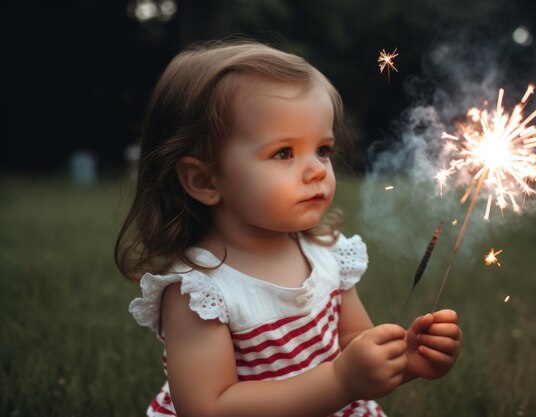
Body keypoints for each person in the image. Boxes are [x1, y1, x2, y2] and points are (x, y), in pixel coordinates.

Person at [115, 39, 462, 417]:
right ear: (205, 180)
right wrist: (340, 382)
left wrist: (403, 358)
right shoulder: (201, 291)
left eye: (323, 150)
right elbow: (208, 407)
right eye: (284, 153)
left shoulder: (327, 254)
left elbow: (351, 343)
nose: (317, 170)